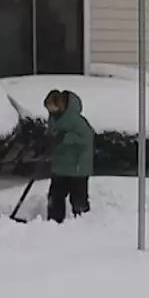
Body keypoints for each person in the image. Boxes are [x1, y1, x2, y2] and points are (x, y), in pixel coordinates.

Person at [43, 89, 94, 224]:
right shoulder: (53, 118)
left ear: (58, 104)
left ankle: (84, 223)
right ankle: (54, 223)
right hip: (60, 165)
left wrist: (65, 138)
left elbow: (87, 137)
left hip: (77, 166)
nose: (49, 110)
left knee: (78, 198)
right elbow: (52, 135)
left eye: (51, 106)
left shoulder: (76, 120)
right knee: (55, 196)